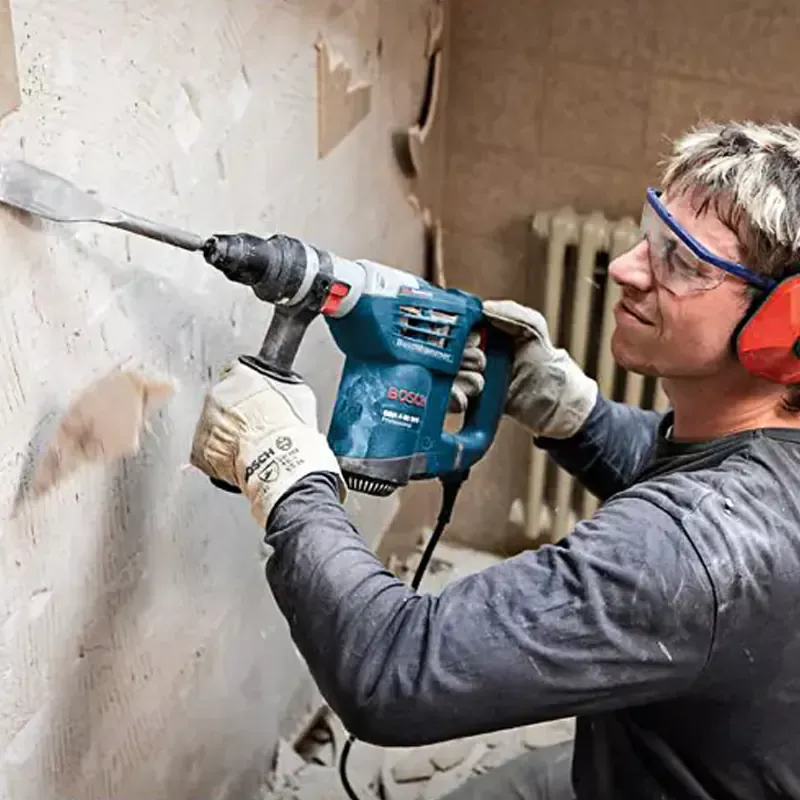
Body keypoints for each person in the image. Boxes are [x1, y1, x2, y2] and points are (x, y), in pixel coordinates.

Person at [188, 120, 800, 799]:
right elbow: (693, 480)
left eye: (682, 262)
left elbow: (392, 672)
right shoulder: (763, 466)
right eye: (651, 233)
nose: (626, 269)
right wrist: (572, 411)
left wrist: (285, 472)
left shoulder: (690, 547)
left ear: (786, 328)